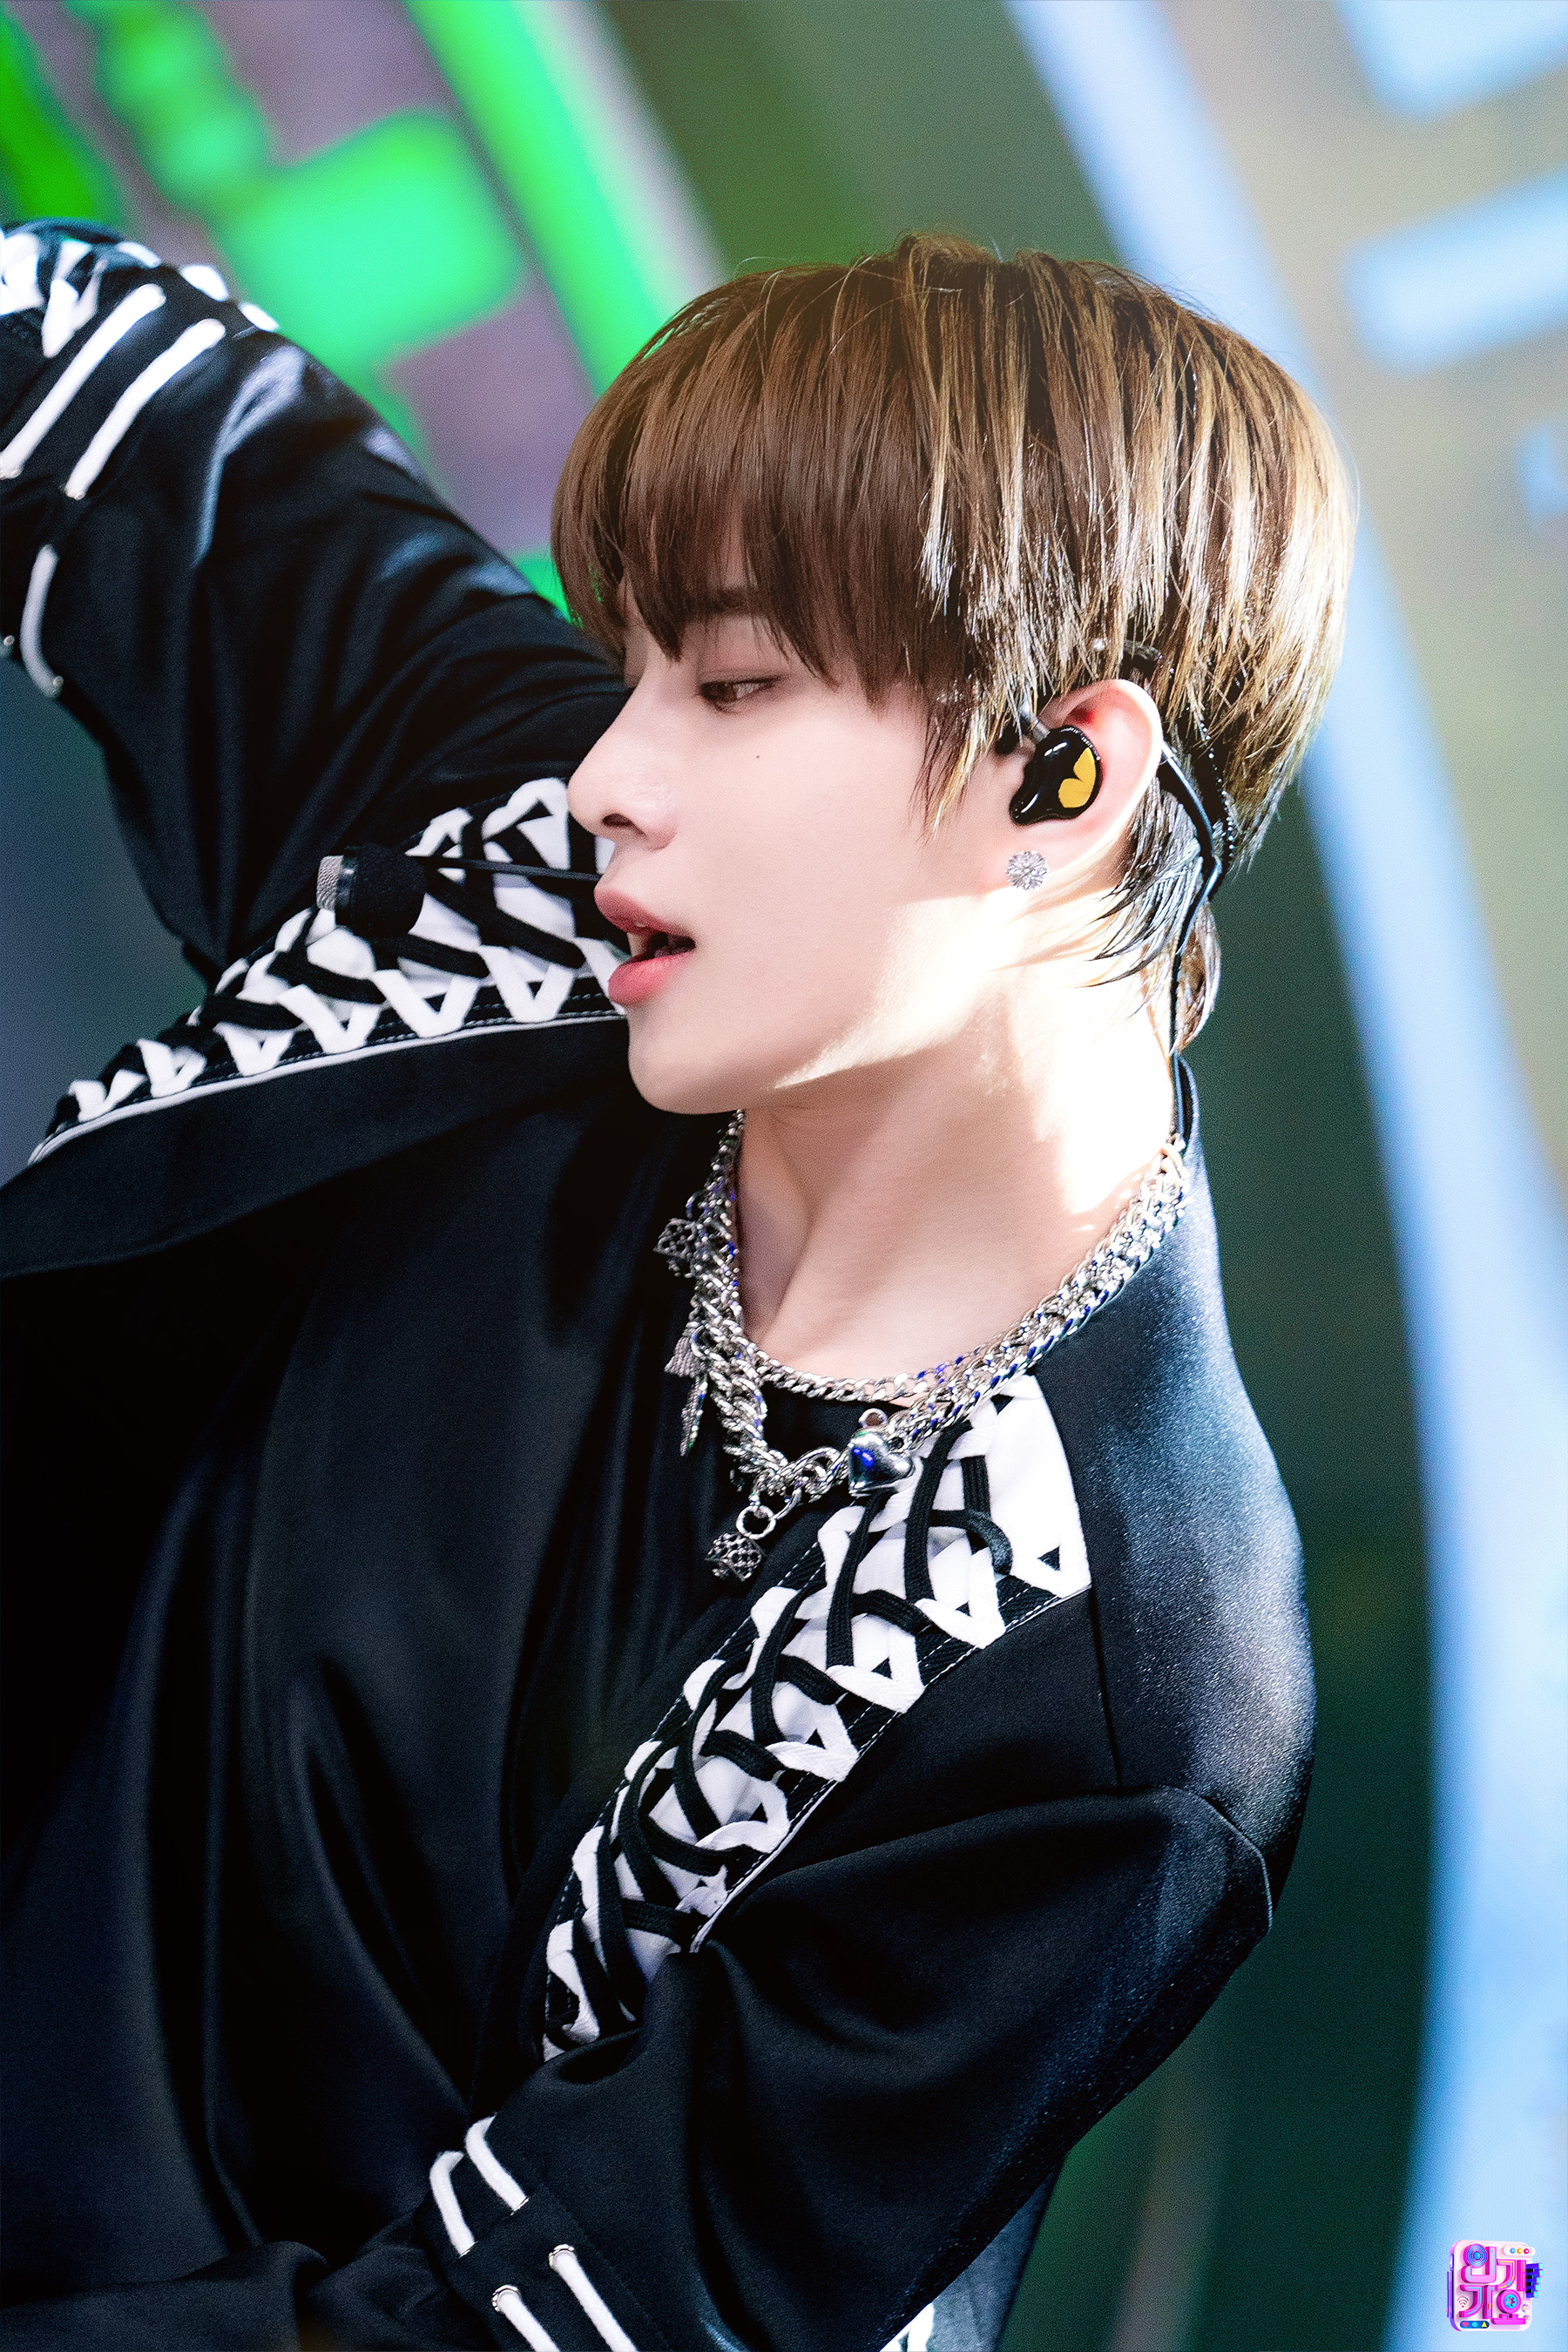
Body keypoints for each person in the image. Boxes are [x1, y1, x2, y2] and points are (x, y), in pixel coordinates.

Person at [0, 219, 1351, 2351]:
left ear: (1061, 780)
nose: (611, 775)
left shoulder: (1123, 1686)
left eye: (730, 688)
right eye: (636, 672)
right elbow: (125, 407)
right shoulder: (541, 890)